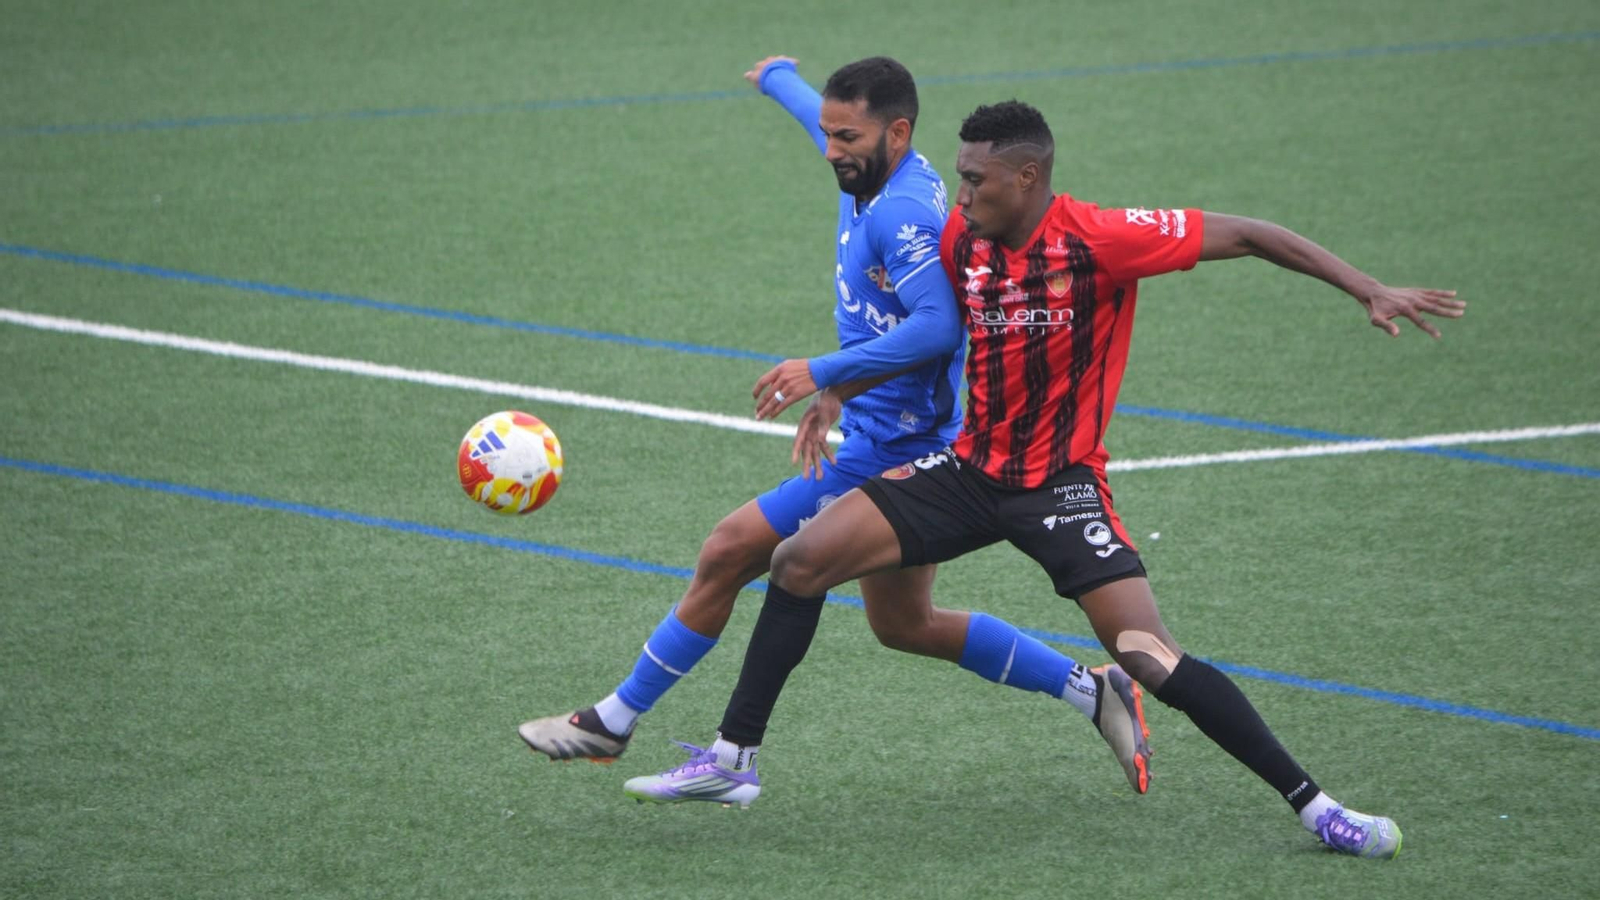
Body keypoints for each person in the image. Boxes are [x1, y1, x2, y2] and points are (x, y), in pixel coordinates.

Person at [635, 99, 1465, 859]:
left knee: (1149, 657)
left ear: (1026, 177)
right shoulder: (966, 241)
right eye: (959, 176)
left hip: (1061, 486)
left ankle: (1319, 808)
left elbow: (1248, 234)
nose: (959, 195)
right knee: (799, 561)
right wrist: (838, 388)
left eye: (975, 178)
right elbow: (930, 335)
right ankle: (735, 759)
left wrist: (1367, 288)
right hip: (968, 470)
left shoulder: (1102, 238)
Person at [522, 63, 1153, 805]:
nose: (830, 149)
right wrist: (777, 78)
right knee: (905, 623)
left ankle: (624, 723)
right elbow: (820, 125)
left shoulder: (904, 216)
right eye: (826, 132)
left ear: (897, 133)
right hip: (874, 435)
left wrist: (822, 372)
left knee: (732, 550)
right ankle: (1093, 691)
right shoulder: (868, 170)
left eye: (845, 136)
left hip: (903, 452)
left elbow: (938, 327)